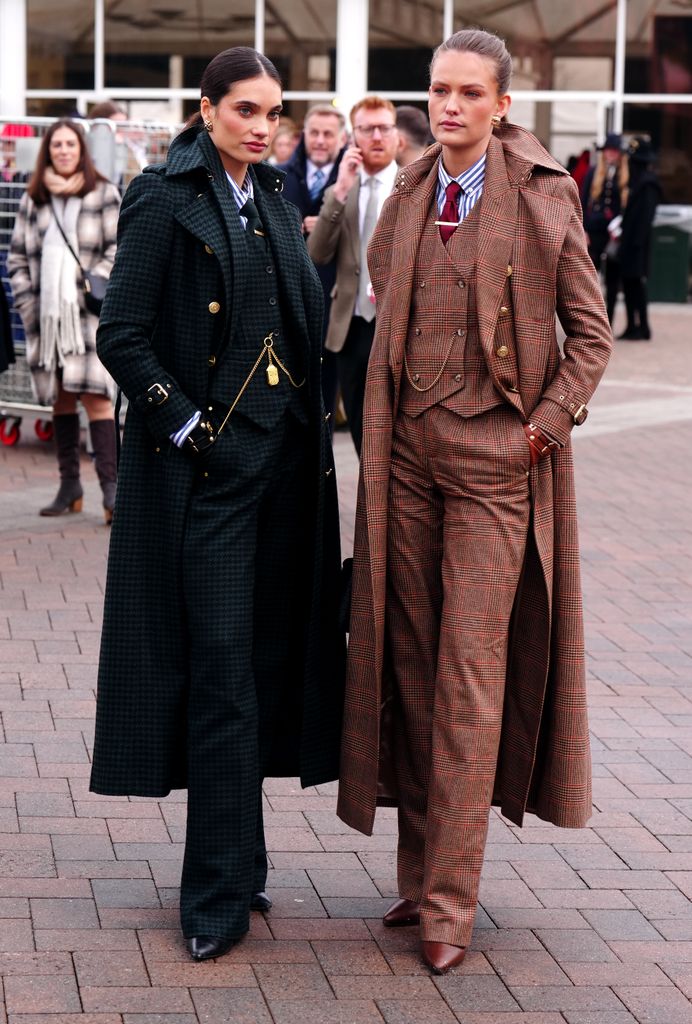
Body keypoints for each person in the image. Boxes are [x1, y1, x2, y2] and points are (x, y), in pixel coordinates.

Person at [336, 28, 612, 976]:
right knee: (408, 664)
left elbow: (591, 334)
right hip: (407, 453)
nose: (448, 106)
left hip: (498, 464)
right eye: (437, 90)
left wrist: (540, 428)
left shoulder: (543, 195)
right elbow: (382, 280)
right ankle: (420, 880)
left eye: (467, 93)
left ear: (501, 104)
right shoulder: (409, 189)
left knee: (467, 674)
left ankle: (454, 902)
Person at [88, 47, 346, 963]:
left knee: (265, 668)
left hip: (282, 480)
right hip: (206, 484)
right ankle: (214, 895)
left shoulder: (273, 198)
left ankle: (242, 854)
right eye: (244, 109)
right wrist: (189, 426)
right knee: (223, 677)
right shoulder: (165, 196)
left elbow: (306, 324)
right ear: (205, 109)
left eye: (271, 112)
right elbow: (120, 333)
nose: (260, 125)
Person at [8, 118, 120, 522]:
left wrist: (94, 284)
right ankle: (69, 486)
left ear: (82, 149)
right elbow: (17, 257)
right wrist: (28, 301)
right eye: (56, 146)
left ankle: (112, 492)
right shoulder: (33, 197)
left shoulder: (104, 192)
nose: (64, 151)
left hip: (87, 315)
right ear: (47, 152)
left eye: (70, 145)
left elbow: (116, 248)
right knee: (60, 399)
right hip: (46, 319)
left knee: (96, 398)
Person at [308, 96, 400, 455]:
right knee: (362, 430)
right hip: (351, 326)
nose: (376, 136)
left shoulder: (415, 187)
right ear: (353, 137)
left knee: (399, 430)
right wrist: (342, 189)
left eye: (384, 128)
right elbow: (317, 253)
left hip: (397, 324)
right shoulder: (340, 191)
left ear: (397, 137)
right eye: (367, 129)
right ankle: (371, 506)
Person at [278, 103, 347, 426]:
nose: (320, 141)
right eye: (314, 133)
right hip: (290, 297)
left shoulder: (353, 181)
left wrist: (328, 222)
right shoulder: (280, 176)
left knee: (326, 390)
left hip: (333, 298)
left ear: (342, 138)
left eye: (328, 134)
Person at [616, 136, 662, 341]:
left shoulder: (648, 184)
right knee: (628, 287)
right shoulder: (638, 182)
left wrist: (635, 244)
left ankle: (642, 326)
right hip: (629, 244)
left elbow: (646, 217)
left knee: (637, 287)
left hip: (637, 246)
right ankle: (631, 326)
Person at [581, 132, 628, 324]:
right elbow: (582, 201)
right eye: (608, 150)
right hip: (594, 231)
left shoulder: (625, 175)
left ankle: (608, 320)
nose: (610, 154)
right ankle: (590, 321)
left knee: (612, 279)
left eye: (614, 151)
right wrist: (582, 230)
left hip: (614, 234)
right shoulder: (594, 171)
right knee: (590, 277)